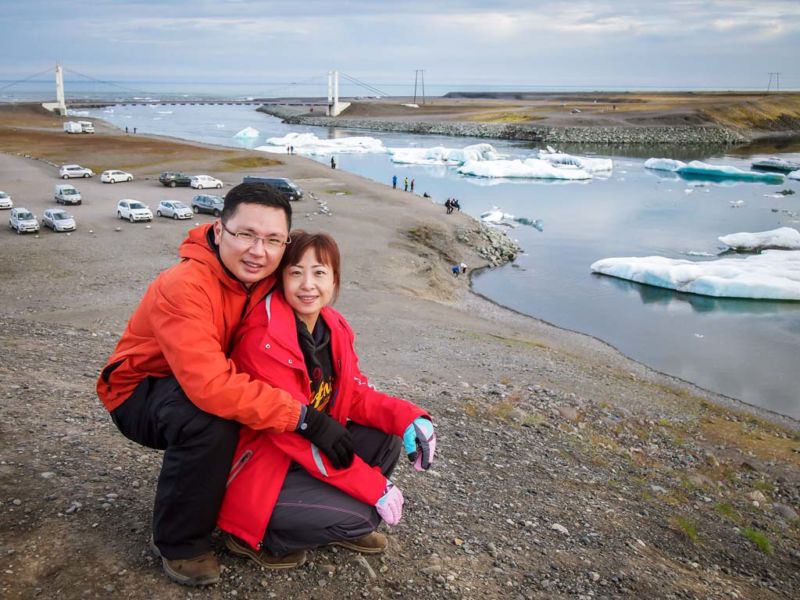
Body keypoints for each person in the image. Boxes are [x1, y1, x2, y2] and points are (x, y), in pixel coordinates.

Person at [96, 183, 353, 587]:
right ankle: (181, 543)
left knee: (251, 409)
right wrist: (303, 418)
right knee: (211, 420)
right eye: (246, 234)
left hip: (212, 379)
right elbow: (210, 386)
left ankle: (252, 512)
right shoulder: (183, 286)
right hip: (141, 388)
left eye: (272, 240)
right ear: (219, 231)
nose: (258, 251)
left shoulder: (267, 279)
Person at [218, 231, 436, 567]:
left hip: (305, 448)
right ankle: (252, 537)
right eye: (295, 273)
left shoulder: (333, 325)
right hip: (264, 465)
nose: (308, 285)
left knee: (388, 439)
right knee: (362, 516)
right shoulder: (263, 339)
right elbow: (291, 435)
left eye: (319, 272)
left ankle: (331, 513)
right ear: (280, 279)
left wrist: (409, 418)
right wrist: (373, 488)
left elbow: (354, 394)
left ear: (335, 280)